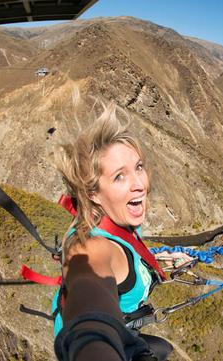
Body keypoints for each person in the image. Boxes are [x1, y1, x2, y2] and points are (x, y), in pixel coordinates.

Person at [51, 103, 188, 361]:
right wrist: (94, 343)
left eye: (138, 167)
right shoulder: (91, 249)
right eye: (119, 177)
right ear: (93, 193)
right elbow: (89, 306)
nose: (139, 184)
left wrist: (161, 261)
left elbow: (123, 266)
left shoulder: (115, 226)